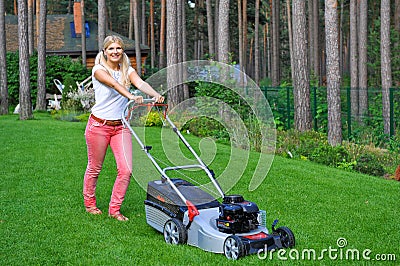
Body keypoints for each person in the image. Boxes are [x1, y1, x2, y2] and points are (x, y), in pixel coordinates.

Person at [83, 35, 164, 221]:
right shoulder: (98, 69)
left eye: (118, 48)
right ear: (105, 51)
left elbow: (140, 83)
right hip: (98, 125)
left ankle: (115, 209)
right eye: (111, 49)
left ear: (122, 51)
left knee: (126, 170)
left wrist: (156, 94)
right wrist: (131, 96)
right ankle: (90, 204)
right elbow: (113, 84)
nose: (115, 52)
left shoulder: (127, 70)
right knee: (95, 168)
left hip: (121, 126)